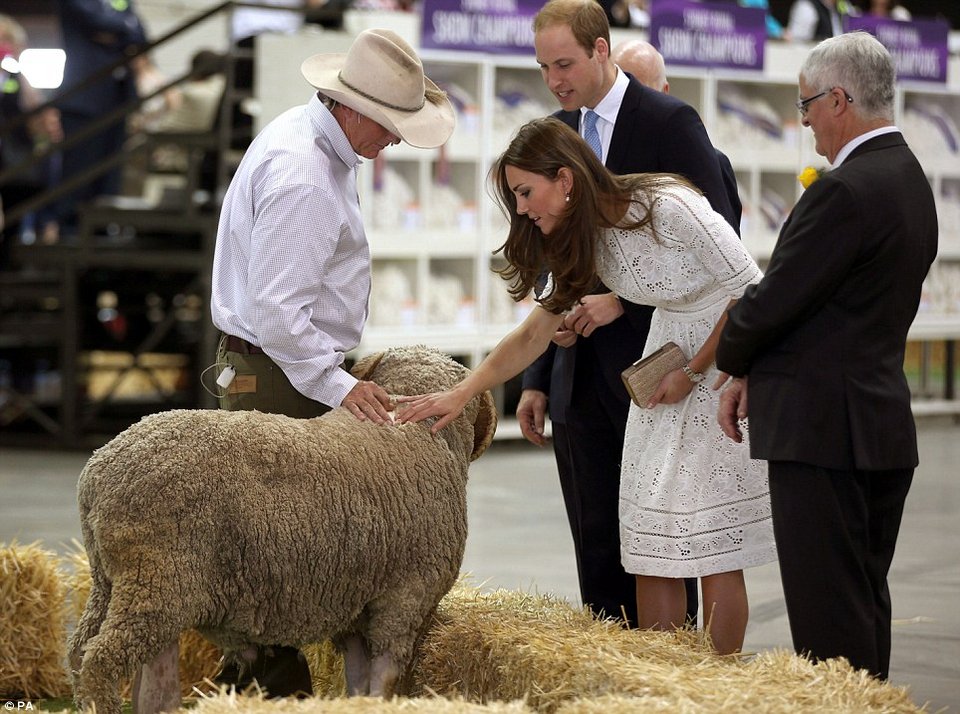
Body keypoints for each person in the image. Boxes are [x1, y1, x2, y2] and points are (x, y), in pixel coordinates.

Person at [400, 116, 777, 655]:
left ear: (566, 180)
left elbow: (750, 289)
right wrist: (464, 392)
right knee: (649, 537)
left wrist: (695, 370)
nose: (523, 208)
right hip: (665, 358)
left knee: (714, 544)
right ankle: (666, 684)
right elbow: (534, 332)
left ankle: (717, 685)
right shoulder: (584, 238)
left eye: (526, 192)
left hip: (723, 360)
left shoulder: (667, 204)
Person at [209, 28, 455, 694]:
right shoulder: (306, 176)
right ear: (355, 109)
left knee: (274, 531)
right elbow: (279, 313)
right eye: (394, 126)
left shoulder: (307, 139)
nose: (398, 140)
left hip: (267, 363)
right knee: (279, 541)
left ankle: (262, 673)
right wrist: (339, 384)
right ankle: (267, 685)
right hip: (280, 371)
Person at [715, 32, 937, 679]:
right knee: (862, 603)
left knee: (827, 622)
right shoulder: (909, 179)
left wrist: (732, 357)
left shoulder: (843, 190)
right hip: (876, 421)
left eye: (807, 103)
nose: (804, 119)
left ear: (839, 99)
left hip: (823, 434)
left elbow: (775, 298)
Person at [516, 0, 739, 630]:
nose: (555, 79)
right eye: (543, 67)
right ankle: (611, 671)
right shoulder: (558, 131)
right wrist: (536, 377)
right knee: (596, 542)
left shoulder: (669, 122)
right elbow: (548, 255)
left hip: (655, 366)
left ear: (601, 50)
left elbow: (716, 245)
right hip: (575, 372)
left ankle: (670, 676)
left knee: (665, 541)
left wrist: (625, 299)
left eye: (564, 63)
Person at [610, 39, 742, 228]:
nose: (629, 104)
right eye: (621, 92)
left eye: (641, 94)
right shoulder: (593, 148)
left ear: (664, 93)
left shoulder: (708, 164)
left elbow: (725, 246)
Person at [54, 0, 147, 239]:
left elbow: (140, 33)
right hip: (85, 98)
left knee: (109, 177)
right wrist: (125, 27)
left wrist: (120, 28)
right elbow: (99, 21)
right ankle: (70, 236)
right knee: (79, 175)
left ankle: (102, 233)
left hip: (116, 99)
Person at [0, 13, 62, 253]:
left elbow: (37, 114)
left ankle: (12, 265)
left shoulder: (19, 78)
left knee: (15, 215)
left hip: (15, 161)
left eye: (7, 39)